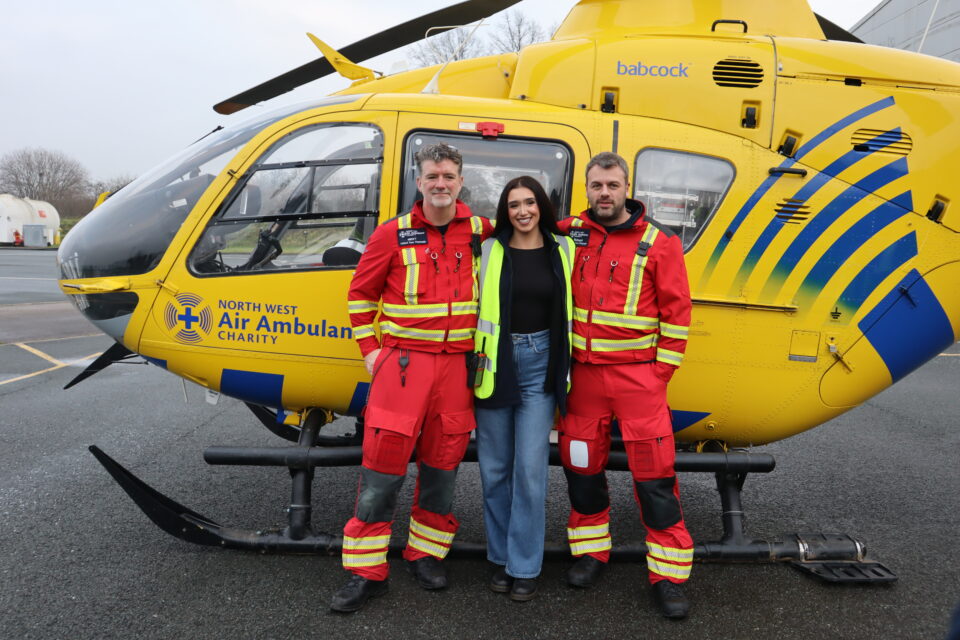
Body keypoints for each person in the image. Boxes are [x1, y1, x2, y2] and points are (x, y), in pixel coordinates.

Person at [331, 143, 493, 613]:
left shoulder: (482, 231)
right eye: (431, 176)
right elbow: (360, 296)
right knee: (382, 471)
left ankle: (426, 555)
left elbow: (535, 226)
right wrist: (372, 353)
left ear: (461, 181)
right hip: (402, 369)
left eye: (448, 175)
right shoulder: (392, 234)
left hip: (457, 370)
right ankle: (366, 572)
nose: (440, 183)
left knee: (442, 469)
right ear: (418, 183)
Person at [556, 152, 694, 619]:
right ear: (588, 190)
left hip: (639, 381)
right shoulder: (571, 231)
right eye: (596, 186)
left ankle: (669, 576)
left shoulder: (660, 242)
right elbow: (521, 225)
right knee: (581, 470)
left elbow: (677, 316)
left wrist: (658, 377)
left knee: (655, 478)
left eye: (612, 185)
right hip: (584, 381)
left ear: (627, 187)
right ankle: (591, 553)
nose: (604, 193)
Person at [473, 176, 574, 602]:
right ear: (505, 210)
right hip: (496, 365)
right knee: (494, 470)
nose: (522, 211)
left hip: (540, 366)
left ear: (541, 207)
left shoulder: (564, 249)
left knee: (530, 472)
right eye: (514, 204)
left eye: (529, 202)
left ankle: (525, 566)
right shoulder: (489, 249)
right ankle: (501, 558)